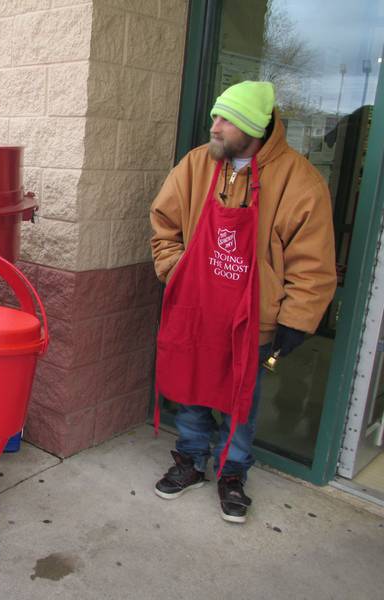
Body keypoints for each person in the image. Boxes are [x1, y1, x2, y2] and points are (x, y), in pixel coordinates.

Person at [149, 80, 337, 523]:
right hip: (196, 308)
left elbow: (313, 263)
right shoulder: (196, 165)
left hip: (254, 317)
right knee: (193, 386)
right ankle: (190, 460)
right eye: (215, 115)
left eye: (225, 119)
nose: (213, 126)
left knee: (241, 399)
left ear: (254, 127)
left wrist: (295, 321)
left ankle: (233, 472)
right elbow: (164, 223)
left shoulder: (300, 181)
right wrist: (178, 272)